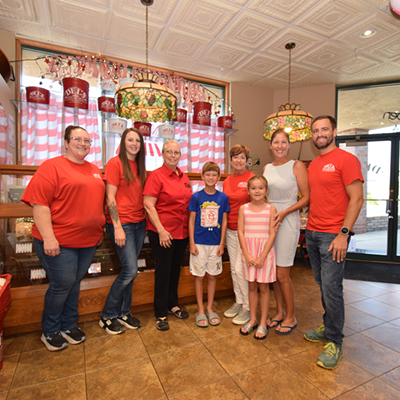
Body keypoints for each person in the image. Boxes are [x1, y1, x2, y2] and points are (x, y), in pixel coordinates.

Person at [21, 126, 105, 351]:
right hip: (59, 241)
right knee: (62, 284)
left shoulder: (94, 169)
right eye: (77, 139)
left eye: (86, 140)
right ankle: (50, 330)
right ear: (66, 142)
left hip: (88, 241)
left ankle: (68, 324)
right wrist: (49, 238)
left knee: (74, 282)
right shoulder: (52, 167)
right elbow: (40, 205)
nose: (83, 143)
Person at [304, 115, 364, 369]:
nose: (320, 134)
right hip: (312, 232)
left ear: (334, 131)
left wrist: (343, 233)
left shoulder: (347, 160)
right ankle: (329, 325)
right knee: (322, 284)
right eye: (315, 130)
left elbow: (357, 198)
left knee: (332, 288)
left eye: (324, 129)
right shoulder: (314, 164)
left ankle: (334, 341)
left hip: (333, 236)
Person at [99, 128, 146, 335]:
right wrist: (117, 226)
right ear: (123, 142)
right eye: (130, 139)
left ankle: (124, 312)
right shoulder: (115, 163)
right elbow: (110, 198)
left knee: (131, 271)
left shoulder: (142, 166)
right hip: (122, 224)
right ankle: (108, 315)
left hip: (139, 223)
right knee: (130, 270)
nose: (134, 143)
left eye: (137, 140)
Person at [263, 129, 309, 335]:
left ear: (289, 145)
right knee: (273, 272)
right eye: (276, 142)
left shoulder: (297, 165)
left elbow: (306, 197)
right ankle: (279, 312)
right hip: (270, 220)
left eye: (284, 142)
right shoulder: (267, 167)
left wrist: (285, 212)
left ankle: (291, 316)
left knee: (282, 273)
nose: (280, 146)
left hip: (288, 219)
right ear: (270, 145)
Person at [143, 140, 192, 331]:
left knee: (175, 270)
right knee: (163, 272)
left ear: (180, 155)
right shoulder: (156, 176)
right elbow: (149, 204)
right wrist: (162, 230)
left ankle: (173, 304)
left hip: (182, 233)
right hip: (162, 233)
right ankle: (160, 313)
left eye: (176, 153)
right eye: (169, 152)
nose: (173, 155)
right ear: (162, 154)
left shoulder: (184, 177)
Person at [188, 162, 230, 328]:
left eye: (214, 175)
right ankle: (200, 309)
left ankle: (210, 307)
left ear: (219, 178)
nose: (211, 177)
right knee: (199, 276)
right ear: (202, 176)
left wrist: (222, 243)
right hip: (199, 243)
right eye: (208, 174)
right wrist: (191, 242)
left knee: (212, 276)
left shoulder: (223, 198)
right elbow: (191, 221)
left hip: (215, 244)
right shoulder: (196, 197)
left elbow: (224, 221)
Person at [237, 176, 277, 340]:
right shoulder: (243, 209)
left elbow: (272, 233)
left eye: (261, 188)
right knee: (251, 286)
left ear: (266, 190)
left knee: (264, 288)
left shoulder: (271, 209)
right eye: (253, 188)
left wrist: (262, 256)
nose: (257, 191)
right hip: (249, 253)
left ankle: (262, 322)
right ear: (248, 191)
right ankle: (252, 319)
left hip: (264, 253)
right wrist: (246, 254)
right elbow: (240, 231)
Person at [223, 144, 255, 325]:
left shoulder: (251, 178)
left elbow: (258, 203)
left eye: (242, 157)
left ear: (246, 160)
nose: (238, 160)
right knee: (233, 270)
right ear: (231, 160)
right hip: (230, 230)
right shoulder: (227, 180)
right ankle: (239, 301)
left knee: (240, 268)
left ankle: (248, 308)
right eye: (235, 157)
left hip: (246, 231)